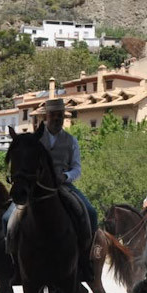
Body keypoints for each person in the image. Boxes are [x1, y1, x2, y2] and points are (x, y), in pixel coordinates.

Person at [38, 98, 98, 278]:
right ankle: (11, 258)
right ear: (46, 116)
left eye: (60, 115)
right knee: (9, 217)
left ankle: (86, 259)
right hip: (38, 187)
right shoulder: (36, 139)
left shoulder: (71, 140)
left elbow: (77, 168)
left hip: (64, 185)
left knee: (91, 212)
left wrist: (65, 176)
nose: (57, 118)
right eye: (53, 115)